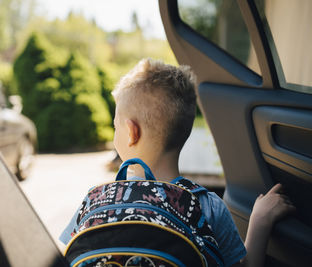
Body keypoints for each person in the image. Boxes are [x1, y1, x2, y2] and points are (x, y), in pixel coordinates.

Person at [60, 58, 295, 267]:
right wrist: (260, 222)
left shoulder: (96, 202)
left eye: (115, 125)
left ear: (132, 132)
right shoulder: (208, 207)